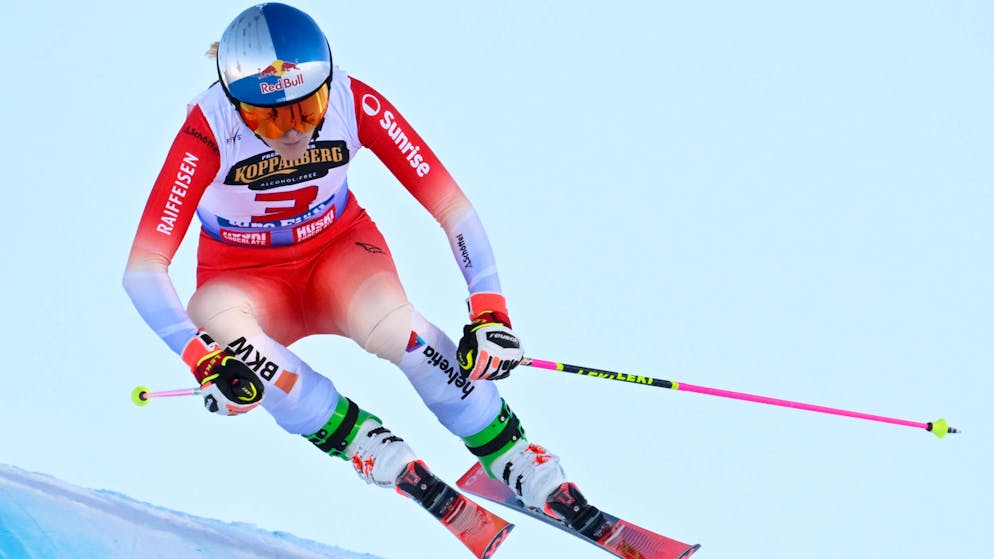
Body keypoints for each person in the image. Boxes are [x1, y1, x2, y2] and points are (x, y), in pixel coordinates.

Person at [123, 2, 596, 529]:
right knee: (217, 320)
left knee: (398, 327)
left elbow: (451, 207)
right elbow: (143, 270)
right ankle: (366, 444)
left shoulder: (355, 102)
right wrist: (202, 359)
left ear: (328, 81)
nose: (290, 132)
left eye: (306, 109)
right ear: (235, 101)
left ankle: (510, 454)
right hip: (245, 278)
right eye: (265, 116)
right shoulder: (207, 129)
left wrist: (490, 312)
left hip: (338, 254)